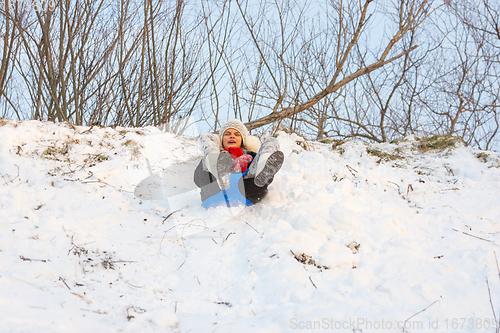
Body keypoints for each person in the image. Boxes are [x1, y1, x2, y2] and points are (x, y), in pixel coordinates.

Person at [194, 119, 284, 208]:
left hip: (248, 189)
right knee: (206, 137)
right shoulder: (210, 155)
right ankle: (217, 169)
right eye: (227, 134)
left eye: (237, 134)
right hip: (215, 189)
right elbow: (198, 179)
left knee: (272, 141)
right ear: (221, 140)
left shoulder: (252, 156)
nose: (232, 136)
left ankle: (262, 170)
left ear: (242, 140)